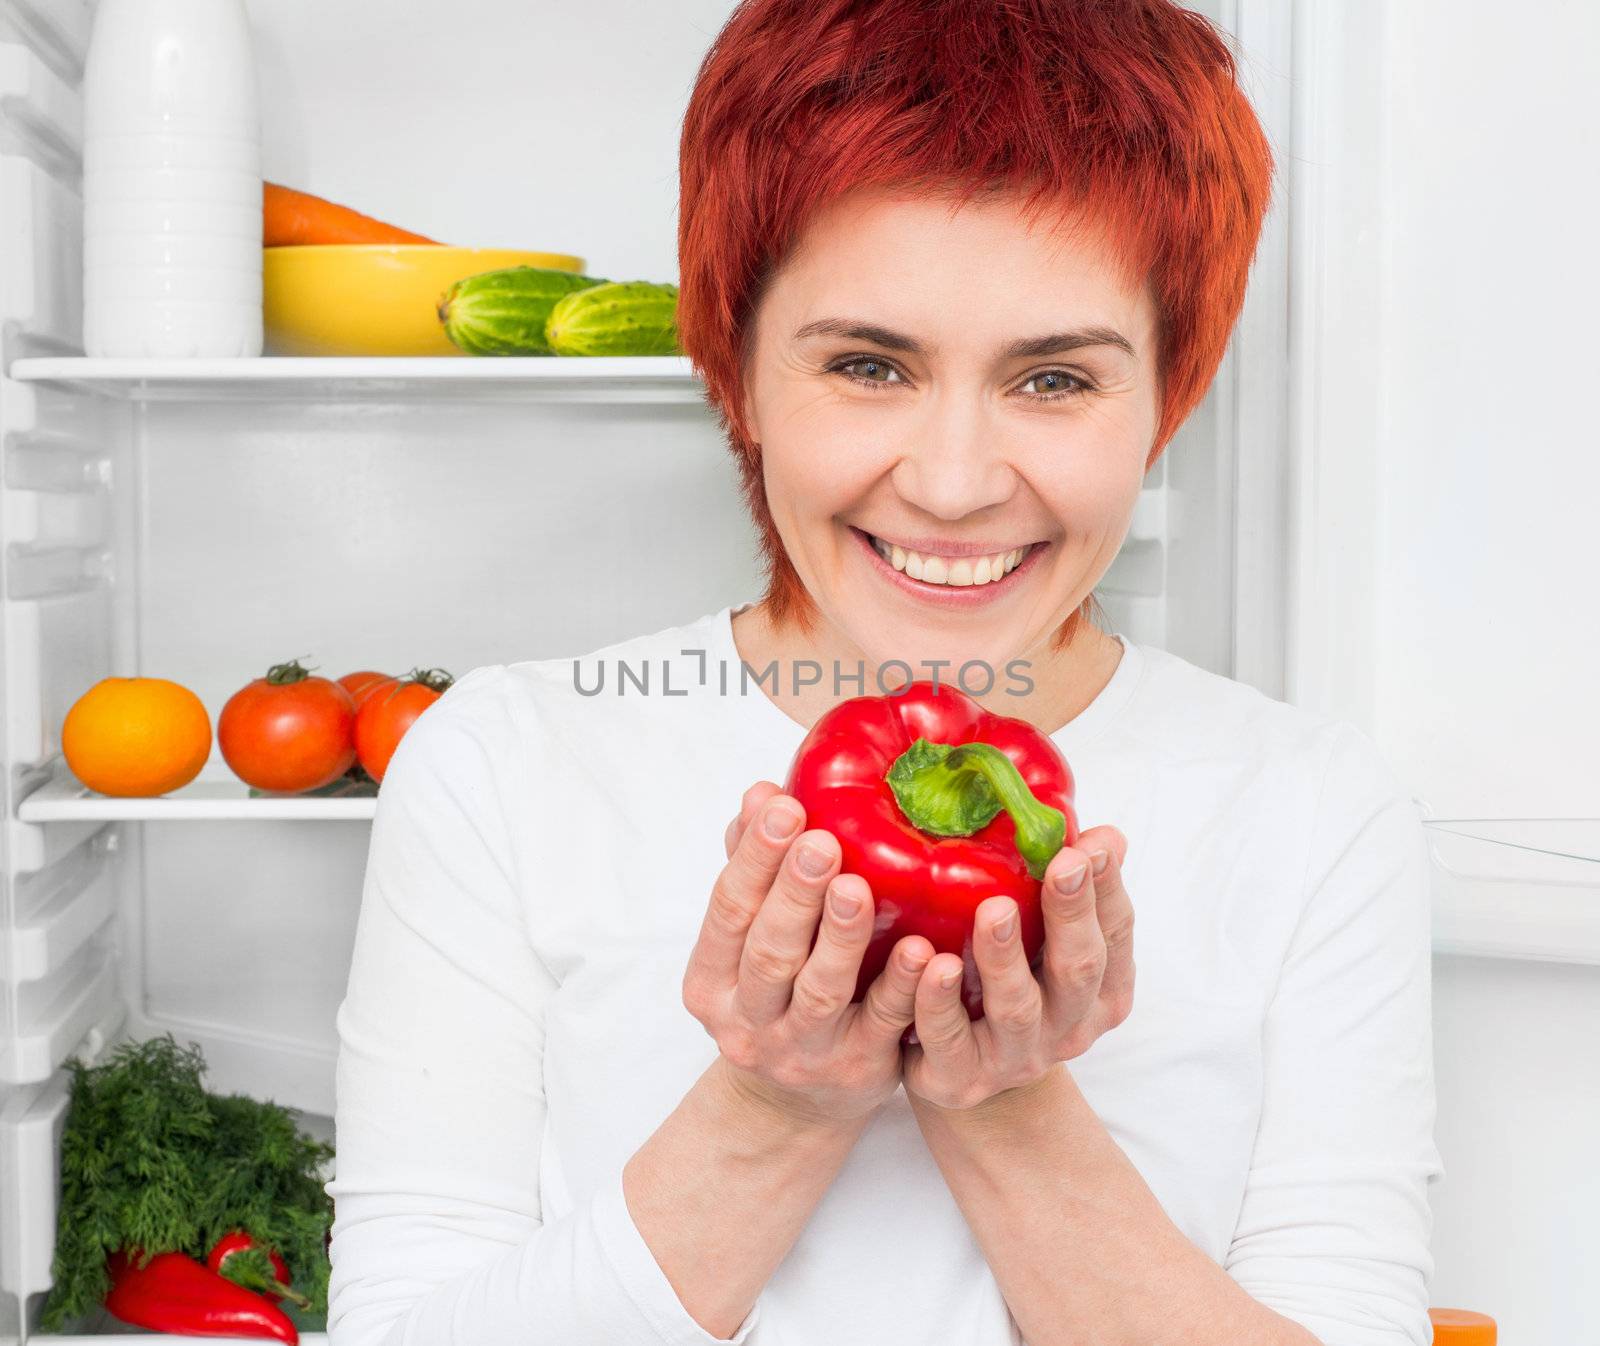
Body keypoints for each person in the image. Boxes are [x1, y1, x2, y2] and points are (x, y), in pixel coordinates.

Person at [325, 1, 1441, 1343]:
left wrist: (1010, 1107)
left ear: (1170, 395)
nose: (956, 482)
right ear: (733, 365)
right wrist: (773, 1103)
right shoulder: (502, 764)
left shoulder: (1315, 810)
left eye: (1054, 380)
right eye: (867, 364)